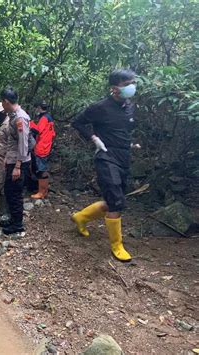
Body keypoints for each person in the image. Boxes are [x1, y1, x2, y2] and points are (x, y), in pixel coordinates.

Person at [71, 69, 139, 262]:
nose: (131, 87)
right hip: (106, 157)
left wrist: (130, 144)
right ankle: (117, 246)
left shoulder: (130, 107)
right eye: (127, 84)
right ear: (114, 88)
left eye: (133, 83)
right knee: (116, 201)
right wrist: (93, 138)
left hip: (123, 158)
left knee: (113, 201)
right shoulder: (100, 107)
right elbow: (78, 122)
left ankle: (81, 217)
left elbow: (123, 130)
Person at [0, 86, 31, 234]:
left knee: (15, 192)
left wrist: (18, 166)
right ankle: (13, 218)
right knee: (9, 190)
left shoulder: (20, 117)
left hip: (19, 162)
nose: (2, 105)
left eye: (2, 102)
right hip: (12, 160)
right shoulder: (12, 115)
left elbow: (23, 143)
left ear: (6, 101)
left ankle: (18, 225)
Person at [30, 100, 55, 199]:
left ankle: (42, 192)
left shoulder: (44, 118)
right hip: (46, 145)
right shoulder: (49, 118)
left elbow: (37, 130)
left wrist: (30, 123)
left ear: (39, 108)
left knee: (41, 169)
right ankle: (43, 191)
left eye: (37, 108)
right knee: (41, 168)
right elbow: (53, 133)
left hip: (42, 147)